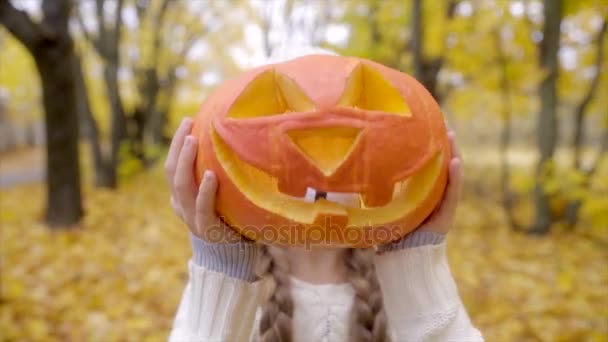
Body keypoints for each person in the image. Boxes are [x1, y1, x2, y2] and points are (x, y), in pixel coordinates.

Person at [165, 112, 483, 341]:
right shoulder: (232, 287)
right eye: (293, 144)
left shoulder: (401, 286)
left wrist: (415, 264)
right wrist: (223, 267)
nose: (318, 169)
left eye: (340, 141)